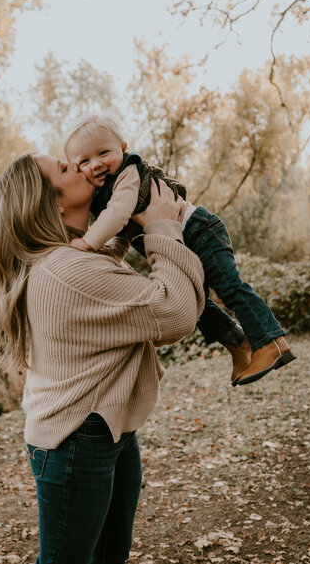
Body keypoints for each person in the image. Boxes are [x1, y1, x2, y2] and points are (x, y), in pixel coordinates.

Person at [0, 152, 205, 564]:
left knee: (109, 554)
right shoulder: (66, 270)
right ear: (52, 204)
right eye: (66, 168)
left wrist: (125, 226)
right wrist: (162, 228)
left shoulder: (64, 260)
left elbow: (104, 278)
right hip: (76, 440)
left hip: (104, 425)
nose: (82, 167)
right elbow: (175, 313)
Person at [63, 112, 296, 387]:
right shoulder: (104, 197)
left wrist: (88, 242)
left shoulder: (127, 174)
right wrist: (111, 254)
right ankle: (238, 344)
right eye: (85, 161)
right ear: (76, 167)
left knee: (229, 286)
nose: (97, 164)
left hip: (199, 231)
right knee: (195, 303)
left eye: (104, 153)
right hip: (182, 244)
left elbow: (119, 214)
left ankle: (271, 342)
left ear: (123, 148)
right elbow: (124, 233)